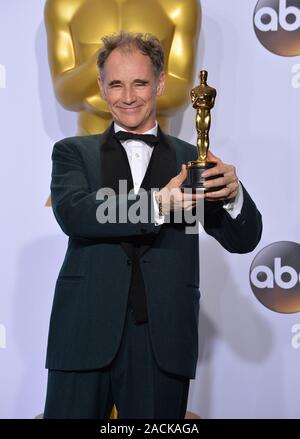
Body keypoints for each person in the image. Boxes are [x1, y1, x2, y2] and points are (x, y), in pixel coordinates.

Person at [44, 31, 262, 419]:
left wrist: (232, 194)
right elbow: (75, 213)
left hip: (164, 342)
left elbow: (244, 239)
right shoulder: (73, 152)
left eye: (140, 82)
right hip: (83, 333)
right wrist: (158, 203)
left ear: (160, 82)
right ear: (101, 87)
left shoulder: (189, 158)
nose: (128, 96)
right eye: (116, 84)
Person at [44, 0, 200, 134]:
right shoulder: (64, 4)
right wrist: (107, 59)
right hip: (89, 148)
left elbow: (182, 91)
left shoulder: (180, 4)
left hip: (155, 153)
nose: (128, 97)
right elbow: (65, 93)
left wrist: (106, 94)